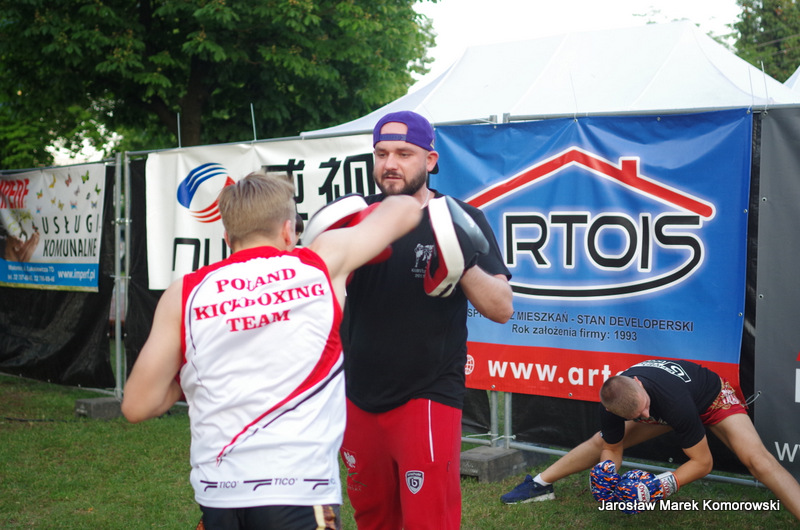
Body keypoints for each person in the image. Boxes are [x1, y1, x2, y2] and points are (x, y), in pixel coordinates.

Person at [121, 171, 422, 529]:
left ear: (227, 236)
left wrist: (194, 369)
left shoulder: (184, 294)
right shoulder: (319, 263)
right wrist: (350, 220)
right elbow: (405, 209)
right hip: (298, 490)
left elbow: (137, 405)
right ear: (288, 230)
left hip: (220, 496)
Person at [338, 111, 514, 529]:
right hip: (357, 393)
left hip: (427, 394)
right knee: (372, 517)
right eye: (381, 153)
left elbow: (501, 308)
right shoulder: (354, 218)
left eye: (404, 153)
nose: (390, 164)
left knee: (429, 520)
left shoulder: (459, 217)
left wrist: (460, 260)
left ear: (431, 160)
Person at [500, 359, 800, 519]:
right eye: (638, 415)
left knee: (757, 461)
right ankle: (540, 484)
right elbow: (612, 447)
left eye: (644, 408)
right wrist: (607, 472)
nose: (644, 416)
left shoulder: (672, 401)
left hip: (711, 399)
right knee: (600, 441)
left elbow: (703, 463)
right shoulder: (613, 401)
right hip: (668, 407)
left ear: (639, 385)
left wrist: (658, 486)